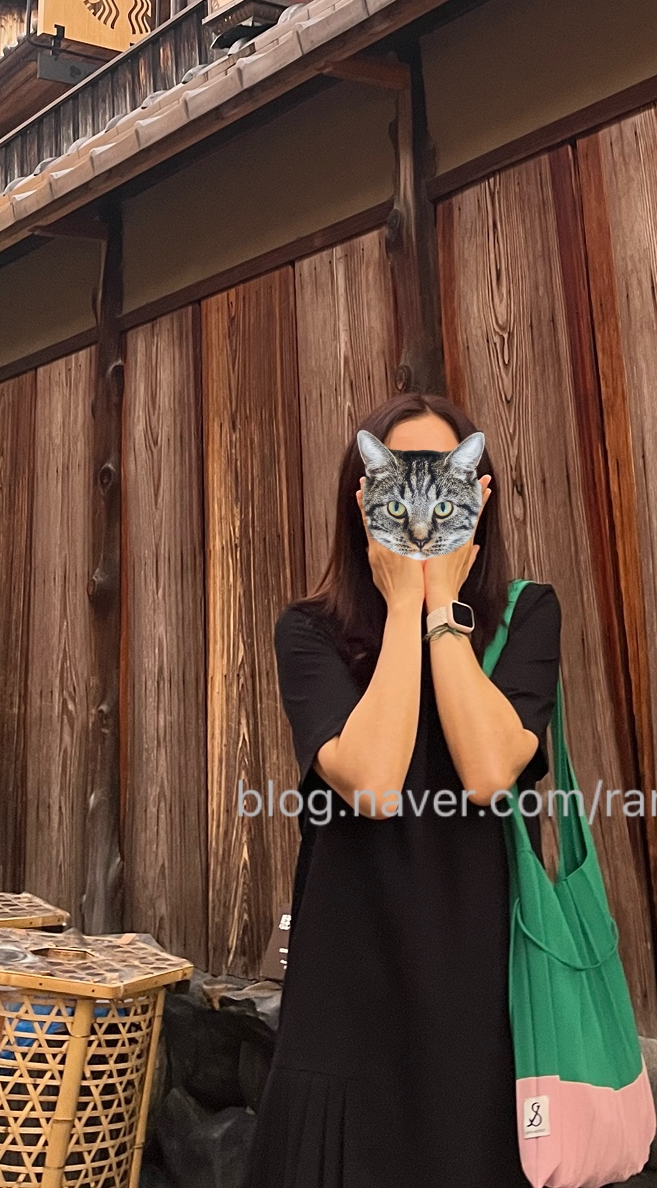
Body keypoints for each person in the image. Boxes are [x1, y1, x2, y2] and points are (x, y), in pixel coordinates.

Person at [245, 390, 561, 1188]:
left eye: (446, 481)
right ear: (362, 499)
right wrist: (400, 609)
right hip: (346, 992)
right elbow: (374, 782)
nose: (421, 515)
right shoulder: (310, 631)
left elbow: (489, 772)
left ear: (480, 494)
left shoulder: (526, 616)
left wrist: (441, 610)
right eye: (399, 483)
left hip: (482, 991)